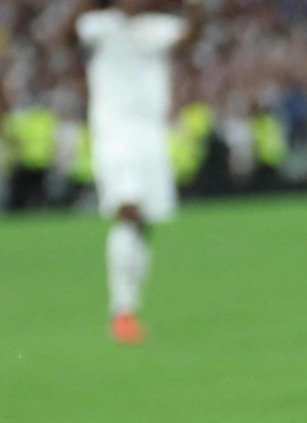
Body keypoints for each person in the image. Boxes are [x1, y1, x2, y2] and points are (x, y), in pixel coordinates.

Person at [65, 0, 205, 344]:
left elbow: (190, 38)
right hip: (114, 132)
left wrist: (196, 8)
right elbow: (67, 36)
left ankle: (129, 308)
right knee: (128, 210)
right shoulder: (101, 24)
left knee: (143, 222)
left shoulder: (157, 26)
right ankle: (122, 313)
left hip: (152, 133)